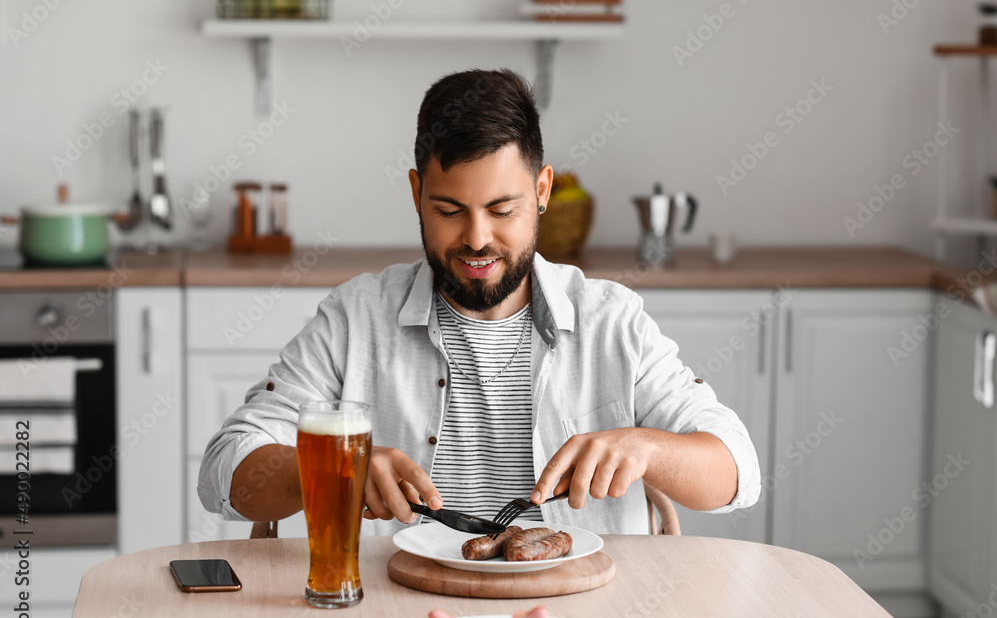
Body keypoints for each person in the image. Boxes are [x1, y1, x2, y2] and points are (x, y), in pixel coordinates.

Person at [198, 68, 760, 535]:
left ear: (542, 191)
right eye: (449, 211)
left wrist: (648, 450)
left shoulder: (611, 321)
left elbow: (739, 471)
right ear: (416, 194)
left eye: (502, 209)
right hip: (392, 616)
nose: (475, 239)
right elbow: (224, 469)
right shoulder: (354, 320)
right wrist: (337, 470)